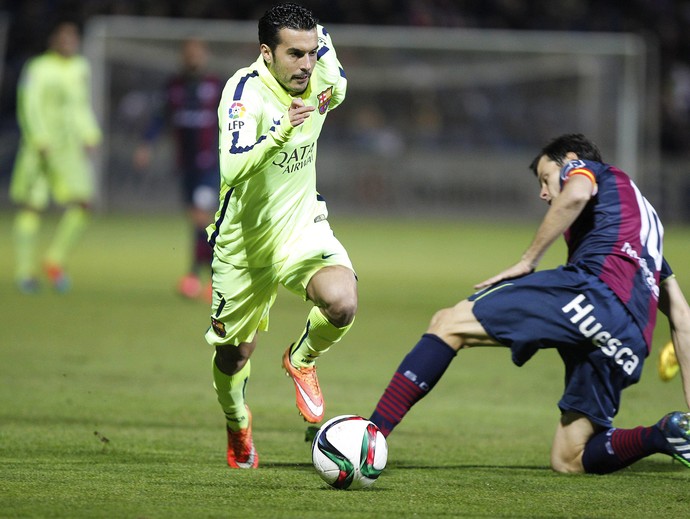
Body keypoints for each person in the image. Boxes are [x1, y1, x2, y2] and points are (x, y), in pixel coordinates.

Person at [369, 133, 690, 474]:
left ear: (568, 161)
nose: (543, 192)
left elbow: (577, 194)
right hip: (629, 341)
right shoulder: (640, 233)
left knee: (448, 323)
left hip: (593, 294)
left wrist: (528, 260)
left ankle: (369, 435)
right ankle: (664, 434)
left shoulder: (586, 168)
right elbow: (682, 317)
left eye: (545, 178)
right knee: (570, 459)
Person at [205, 3, 357, 469]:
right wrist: (278, 133)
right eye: (294, 54)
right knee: (234, 355)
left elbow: (340, 86)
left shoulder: (318, 69)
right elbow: (230, 167)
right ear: (266, 53)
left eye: (311, 53)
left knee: (341, 301)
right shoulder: (243, 92)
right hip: (245, 245)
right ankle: (237, 423)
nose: (306, 64)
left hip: (302, 226)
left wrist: (322, 60)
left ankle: (302, 358)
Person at [9, 21, 102, 293]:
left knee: (84, 203)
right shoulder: (38, 68)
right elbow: (29, 104)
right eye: (63, 36)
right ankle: (25, 272)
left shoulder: (80, 67)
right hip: (39, 147)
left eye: (72, 36)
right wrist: (38, 138)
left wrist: (90, 134)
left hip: (67, 149)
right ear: (53, 39)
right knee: (32, 206)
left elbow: (79, 105)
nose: (68, 41)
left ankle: (54, 260)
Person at [133, 38, 222, 301]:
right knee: (197, 220)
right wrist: (146, 144)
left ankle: (205, 277)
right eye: (189, 53)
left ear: (205, 56)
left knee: (201, 216)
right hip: (185, 164)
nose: (193, 58)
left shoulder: (216, 86)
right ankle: (202, 278)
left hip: (210, 164)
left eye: (198, 53)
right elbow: (160, 117)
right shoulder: (174, 86)